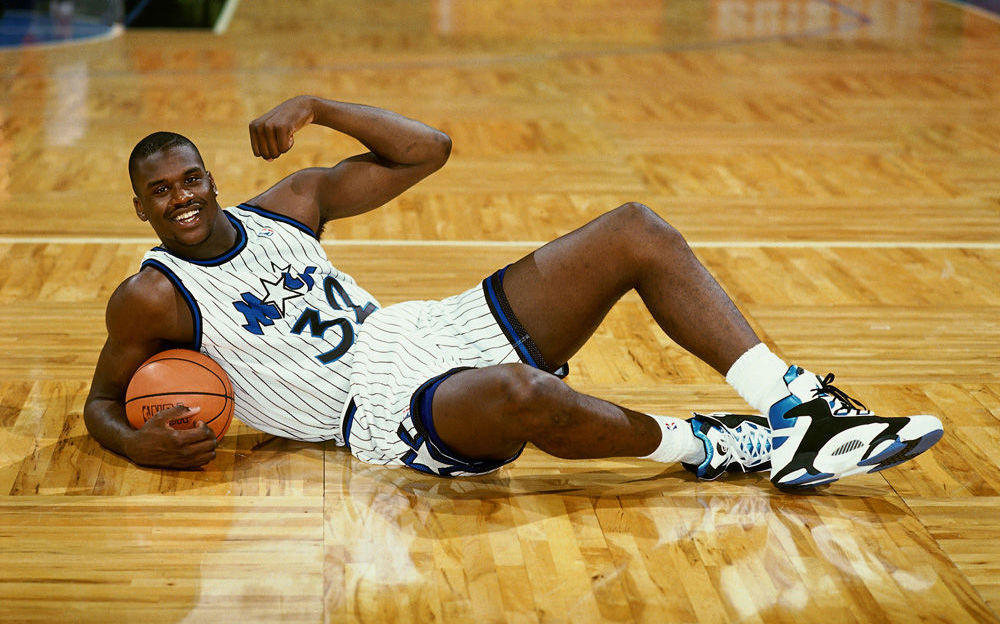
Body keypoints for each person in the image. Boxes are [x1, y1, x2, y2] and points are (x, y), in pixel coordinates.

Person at [84, 95, 943, 489]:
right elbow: (98, 402)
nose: (184, 198)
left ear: (211, 176)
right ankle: (714, 446)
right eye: (162, 192)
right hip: (376, 411)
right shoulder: (152, 296)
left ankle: (795, 410)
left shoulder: (289, 205)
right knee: (523, 394)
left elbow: (429, 149)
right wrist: (134, 444)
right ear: (140, 208)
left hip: (425, 330)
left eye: (192, 178)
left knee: (634, 227)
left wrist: (318, 105)